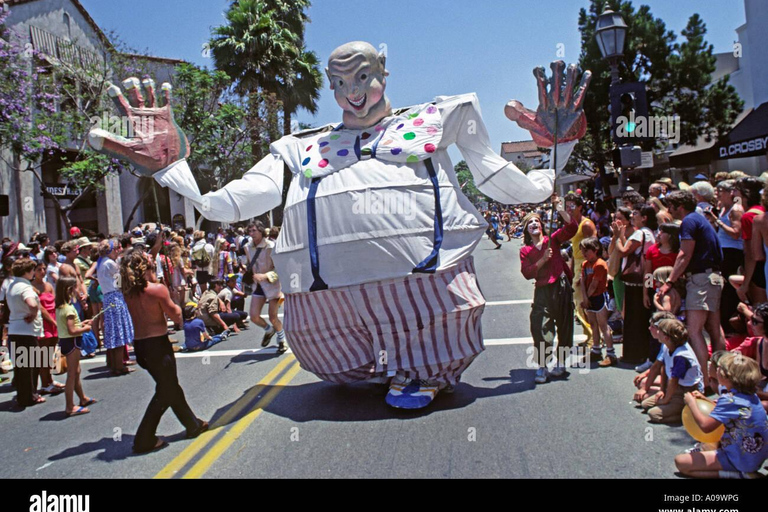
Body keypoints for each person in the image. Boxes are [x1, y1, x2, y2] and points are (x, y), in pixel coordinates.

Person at [89, 43, 590, 409]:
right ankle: (374, 365)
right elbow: (232, 202)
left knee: (434, 334)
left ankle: (423, 370)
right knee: (331, 358)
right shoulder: (302, 145)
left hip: (425, 274)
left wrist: (555, 154)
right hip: (330, 292)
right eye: (340, 83)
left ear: (385, 74)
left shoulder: (437, 118)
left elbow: (501, 179)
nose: (353, 92)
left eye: (363, 77)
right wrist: (174, 171)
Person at [120, 249, 208, 454]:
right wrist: (174, 301)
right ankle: (144, 437)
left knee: (170, 386)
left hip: (141, 347)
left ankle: (192, 424)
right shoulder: (157, 289)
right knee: (166, 390)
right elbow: (176, 315)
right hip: (158, 345)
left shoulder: (128, 292)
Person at [660, 190, 725, 386]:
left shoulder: (689, 221)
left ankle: (704, 382)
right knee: (714, 329)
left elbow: (684, 254)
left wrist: (669, 281)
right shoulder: (699, 219)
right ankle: (721, 379)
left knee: (694, 330)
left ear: (679, 206)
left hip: (701, 279)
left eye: (670, 206)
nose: (669, 210)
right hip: (712, 277)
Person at [674, 352, 768, 478]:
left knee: (681, 463)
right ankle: (743, 471)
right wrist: (704, 399)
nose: (717, 369)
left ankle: (738, 475)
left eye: (720, 368)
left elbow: (705, 427)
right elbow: (727, 411)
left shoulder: (730, 400)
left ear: (727, 377)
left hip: (739, 458)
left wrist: (691, 404)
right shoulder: (750, 395)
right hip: (754, 457)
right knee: (705, 446)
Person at [519, 196, 578, 384]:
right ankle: (542, 366)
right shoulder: (526, 250)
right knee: (540, 326)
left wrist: (559, 208)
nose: (534, 223)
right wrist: (543, 260)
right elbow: (527, 273)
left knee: (565, 324)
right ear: (527, 229)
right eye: (530, 223)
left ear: (542, 225)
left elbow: (572, 228)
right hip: (542, 290)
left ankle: (561, 362)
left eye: (537, 220)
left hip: (561, 286)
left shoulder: (552, 239)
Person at [614, 203, 656, 365]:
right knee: (638, 318)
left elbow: (624, 251)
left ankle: (634, 354)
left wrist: (617, 236)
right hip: (643, 281)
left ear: (644, 218)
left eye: (636, 214)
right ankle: (640, 353)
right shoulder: (649, 233)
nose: (632, 217)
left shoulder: (641, 234)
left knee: (634, 319)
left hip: (636, 282)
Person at [640, 318, 703, 423]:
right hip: (673, 390)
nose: (657, 331)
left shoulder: (681, 357)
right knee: (645, 404)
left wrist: (666, 400)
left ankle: (685, 415)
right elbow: (664, 367)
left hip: (685, 392)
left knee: (653, 414)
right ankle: (673, 406)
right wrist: (661, 390)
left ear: (666, 337)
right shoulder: (667, 346)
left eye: (659, 330)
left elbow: (674, 381)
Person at [55, 276, 96, 417]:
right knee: (72, 374)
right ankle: (69, 406)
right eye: (74, 288)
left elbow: (69, 327)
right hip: (72, 342)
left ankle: (82, 398)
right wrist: (85, 329)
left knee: (76, 371)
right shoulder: (69, 310)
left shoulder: (62, 307)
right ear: (69, 290)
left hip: (66, 341)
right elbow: (72, 331)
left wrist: (82, 323)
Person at [705, 180, 743, 333]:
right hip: (722, 252)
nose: (717, 194)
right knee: (722, 289)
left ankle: (730, 326)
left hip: (733, 253)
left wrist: (717, 221)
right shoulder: (722, 209)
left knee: (728, 290)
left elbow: (736, 233)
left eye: (720, 191)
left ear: (730, 193)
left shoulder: (735, 210)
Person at [7, 258, 46, 407]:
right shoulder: (25, 287)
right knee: (31, 366)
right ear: (26, 272)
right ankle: (30, 396)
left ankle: (24, 395)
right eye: (32, 270)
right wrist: (34, 313)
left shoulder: (11, 285)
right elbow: (32, 303)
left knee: (21, 367)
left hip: (14, 328)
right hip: (26, 330)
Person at [244, 222, 286, 353]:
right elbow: (248, 262)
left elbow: (282, 267)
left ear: (261, 231)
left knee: (273, 317)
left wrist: (266, 275)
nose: (251, 234)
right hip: (258, 285)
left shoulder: (271, 246)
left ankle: (282, 340)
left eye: (254, 230)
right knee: (254, 316)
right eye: (249, 231)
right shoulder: (247, 246)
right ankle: (269, 330)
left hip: (273, 284)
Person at [96, 239, 135, 376]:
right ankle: (119, 365)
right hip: (115, 296)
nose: (118, 251)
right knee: (118, 332)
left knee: (113, 331)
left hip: (108, 297)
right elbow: (119, 280)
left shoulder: (101, 262)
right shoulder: (110, 263)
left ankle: (114, 363)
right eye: (116, 249)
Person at [578, 237, 615, 366]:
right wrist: (585, 298)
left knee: (603, 325)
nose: (584, 254)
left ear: (595, 250)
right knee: (593, 324)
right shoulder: (585, 264)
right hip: (589, 297)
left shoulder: (600, 264)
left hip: (599, 296)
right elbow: (582, 281)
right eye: (583, 251)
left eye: (587, 251)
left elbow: (594, 284)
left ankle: (611, 353)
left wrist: (587, 298)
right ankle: (596, 349)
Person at [566, 193, 596, 350]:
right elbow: (573, 250)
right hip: (576, 263)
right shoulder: (572, 224)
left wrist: (586, 271)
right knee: (578, 304)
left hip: (585, 265)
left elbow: (593, 246)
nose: (569, 209)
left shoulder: (586, 224)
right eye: (567, 206)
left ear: (579, 207)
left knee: (583, 302)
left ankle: (594, 338)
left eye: (572, 206)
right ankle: (589, 335)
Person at [31, 261, 64, 395]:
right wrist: (52, 321)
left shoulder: (49, 285)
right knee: (43, 354)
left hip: (53, 319)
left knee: (51, 353)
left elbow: (55, 301)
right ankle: (44, 383)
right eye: (39, 269)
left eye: (44, 269)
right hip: (43, 322)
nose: (43, 272)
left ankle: (50, 380)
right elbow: (40, 308)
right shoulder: (32, 287)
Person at [736, 177, 766, 305]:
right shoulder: (762, 210)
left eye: (736, 190)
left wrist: (746, 283)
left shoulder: (749, 216)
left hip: (759, 270)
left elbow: (751, 254)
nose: (733, 193)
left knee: (760, 308)